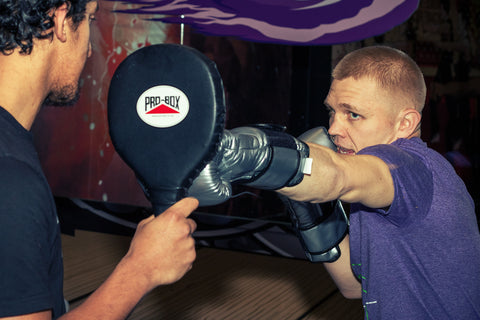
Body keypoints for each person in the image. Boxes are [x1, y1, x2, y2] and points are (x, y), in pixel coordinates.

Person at [189, 46, 480, 319]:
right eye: (332, 111)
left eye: (353, 114)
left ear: (404, 123)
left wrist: (244, 155)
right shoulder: (383, 194)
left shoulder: (409, 169)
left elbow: (339, 175)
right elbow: (355, 287)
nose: (334, 128)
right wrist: (315, 214)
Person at [0, 0, 197, 319]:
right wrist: (140, 271)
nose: (91, 50)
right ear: (61, 21)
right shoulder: (11, 179)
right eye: (90, 19)